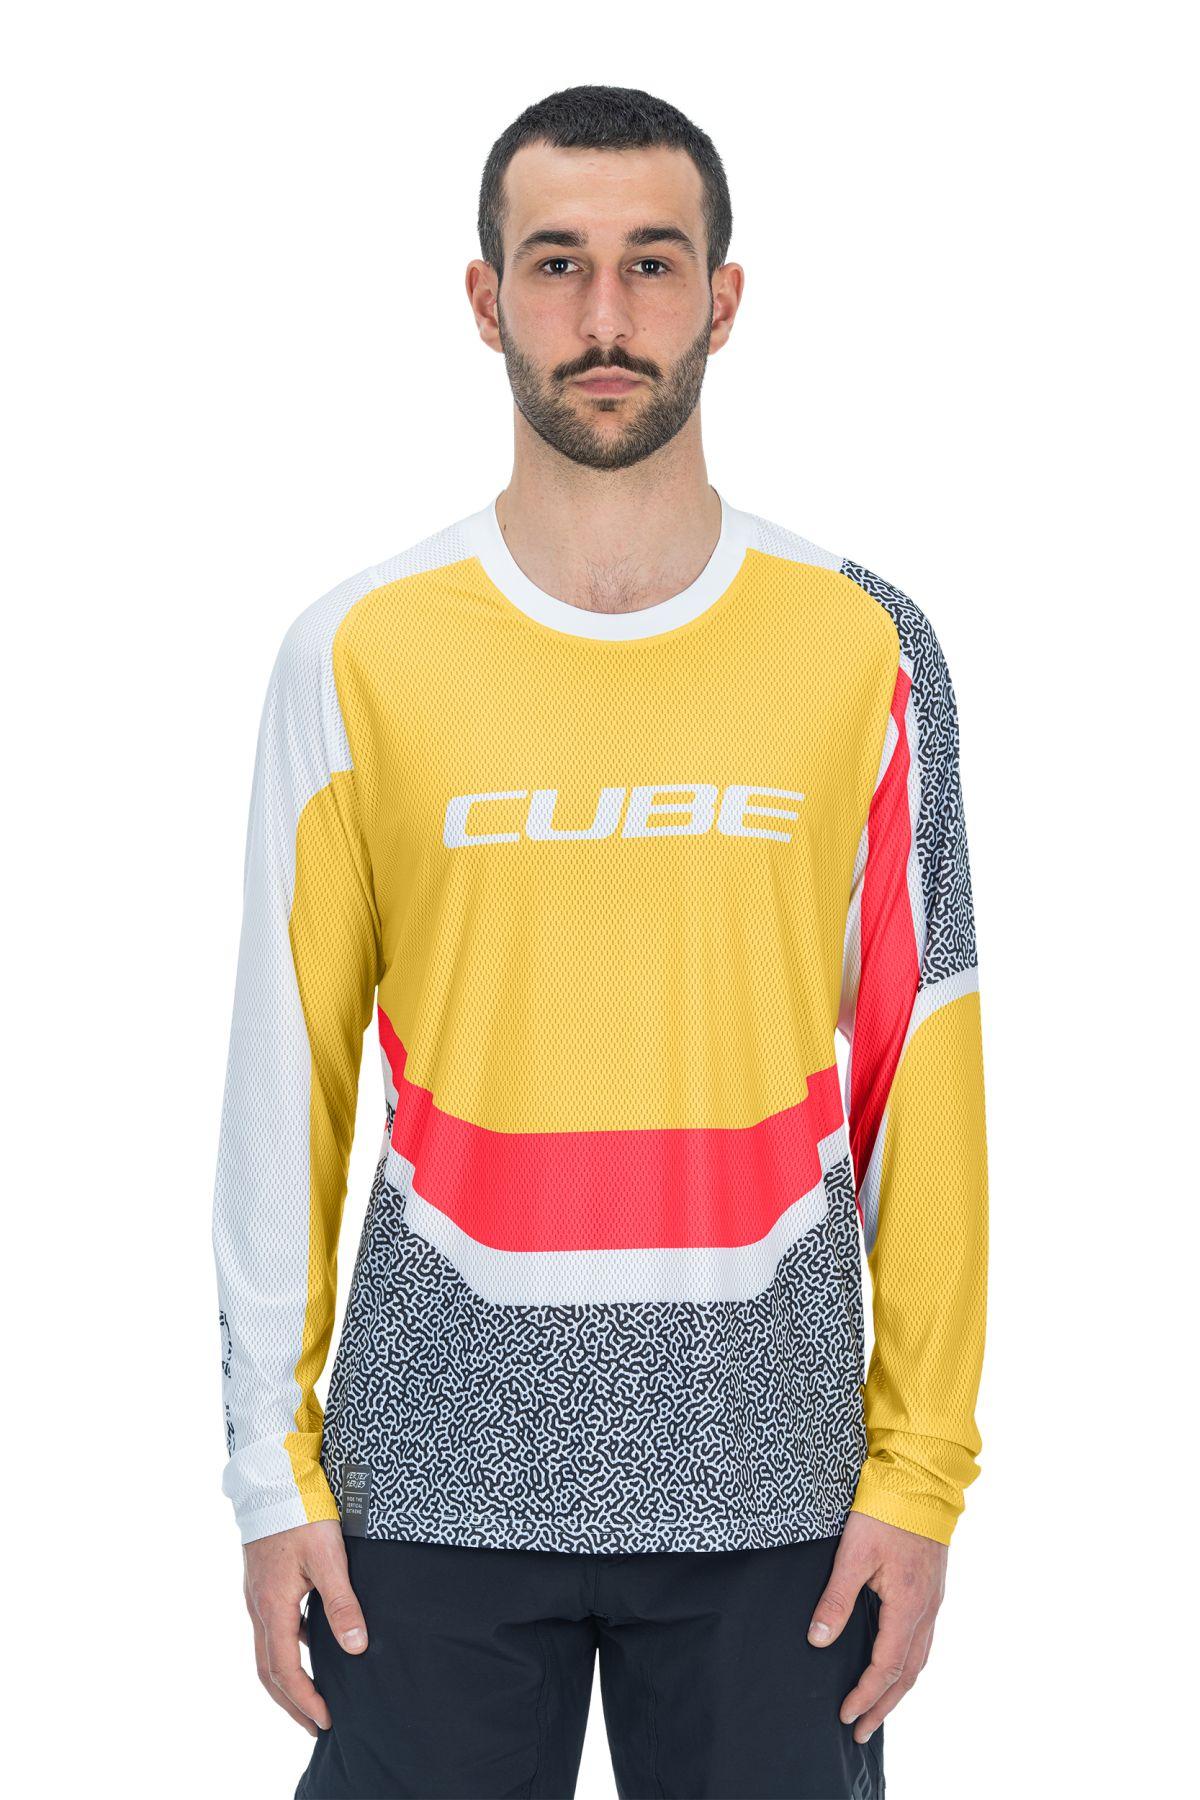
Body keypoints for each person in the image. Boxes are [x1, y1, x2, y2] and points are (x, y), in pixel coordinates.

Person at [211, 82, 989, 1800]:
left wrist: (920, 1476)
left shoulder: (866, 646)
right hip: (426, 1487)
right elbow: (287, 1083)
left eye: (654, 262)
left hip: (774, 1496)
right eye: (558, 263)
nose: (607, 312)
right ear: (486, 299)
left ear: (725, 298)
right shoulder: (356, 651)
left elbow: (922, 1072)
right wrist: (272, 1474)